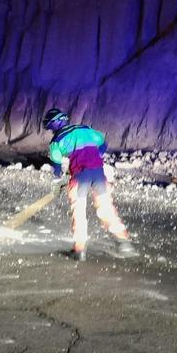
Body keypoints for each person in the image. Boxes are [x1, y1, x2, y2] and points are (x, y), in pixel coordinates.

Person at [42, 108, 137, 261]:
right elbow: (103, 143)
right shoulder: (85, 129)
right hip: (99, 174)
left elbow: (57, 167)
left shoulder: (57, 140)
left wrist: (58, 182)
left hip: (79, 178)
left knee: (78, 212)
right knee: (106, 209)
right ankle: (124, 244)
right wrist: (95, 157)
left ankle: (79, 251)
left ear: (53, 124)